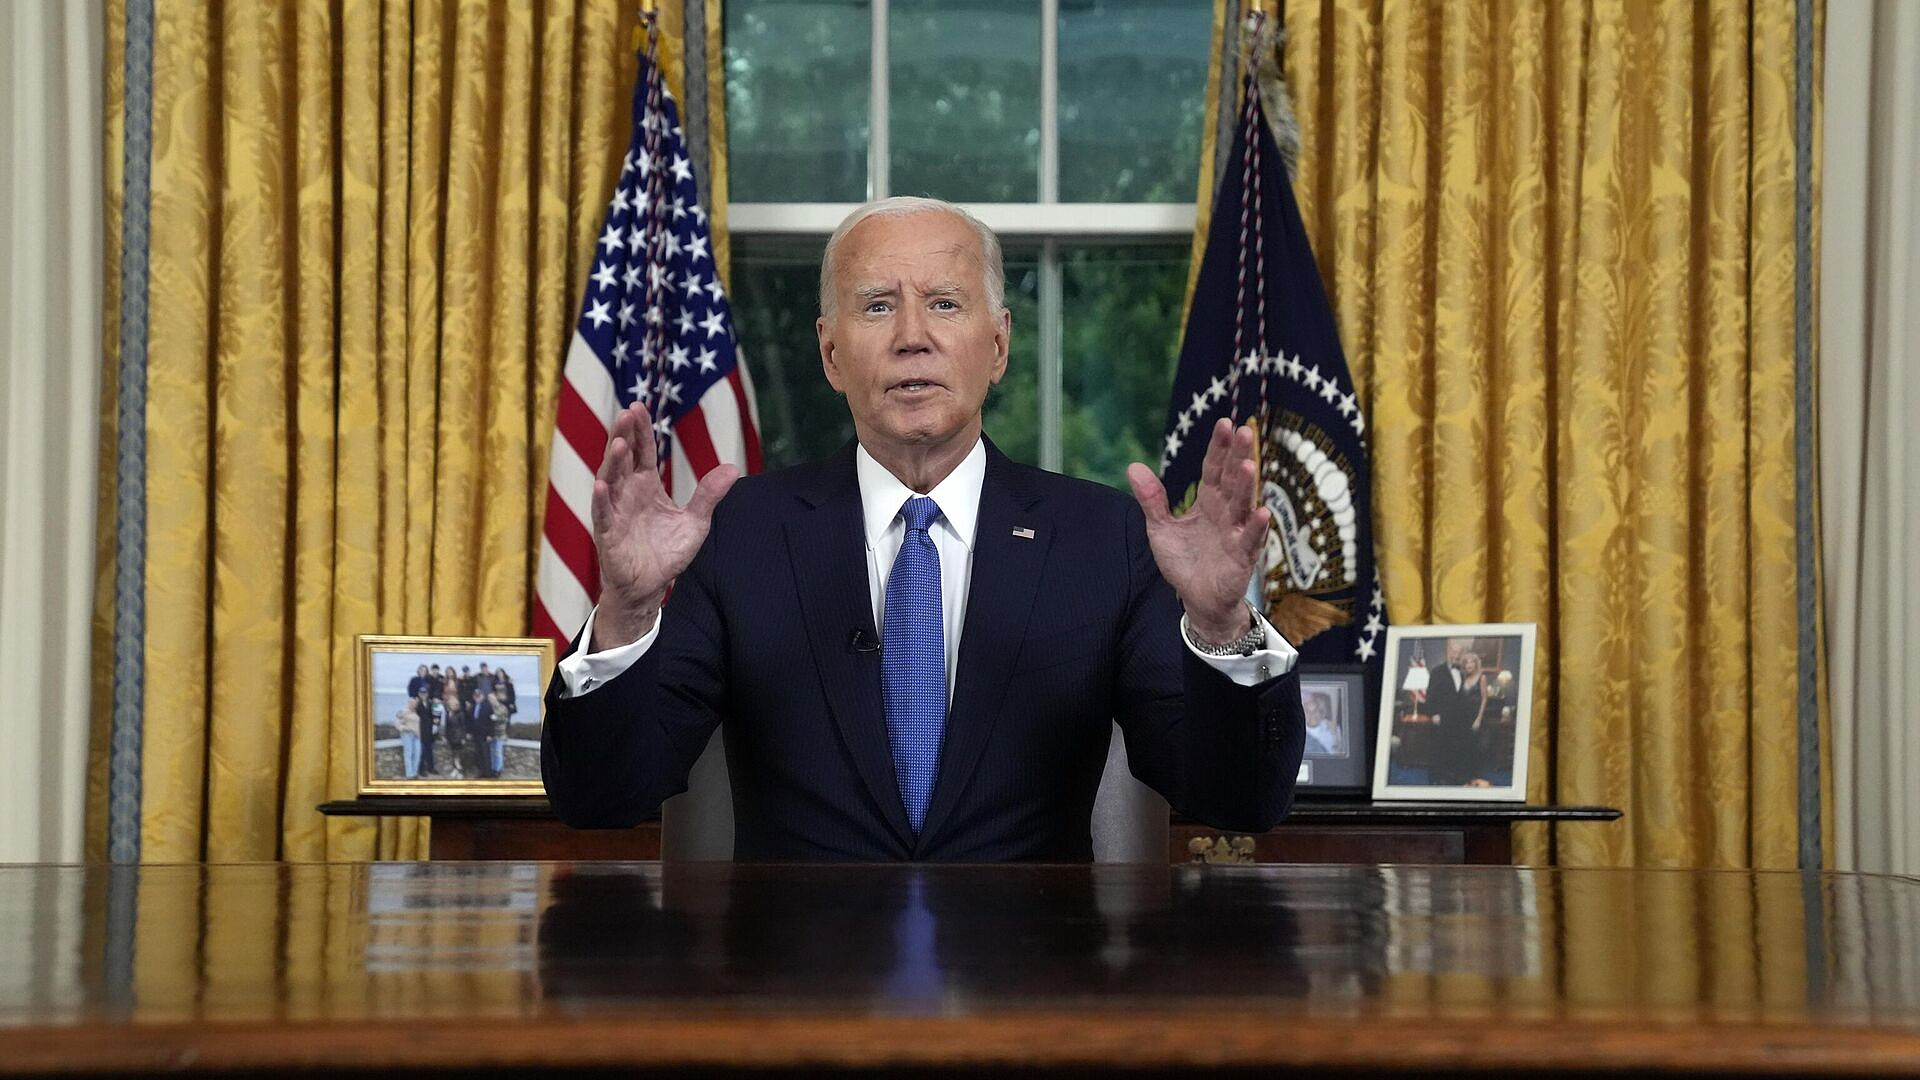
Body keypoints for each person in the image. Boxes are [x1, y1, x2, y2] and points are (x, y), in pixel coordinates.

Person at [541, 197, 1307, 861]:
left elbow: (1237, 801)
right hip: (802, 974)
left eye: (944, 303)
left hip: (1029, 971)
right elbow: (600, 798)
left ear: (998, 345)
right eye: (878, 306)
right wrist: (627, 613)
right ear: (831, 353)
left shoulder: (1103, 539)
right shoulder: (743, 535)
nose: (913, 335)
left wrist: (1221, 625)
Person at [394, 698, 423, 779]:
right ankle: (409, 775)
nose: (413, 704)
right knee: (408, 754)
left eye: (415, 703)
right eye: (412, 703)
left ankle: (414, 773)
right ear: (409, 703)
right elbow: (397, 723)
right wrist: (405, 728)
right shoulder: (404, 711)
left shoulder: (415, 712)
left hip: (417, 736)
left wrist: (419, 734)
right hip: (407, 735)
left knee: (417, 754)